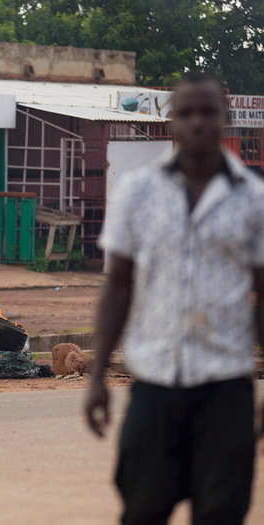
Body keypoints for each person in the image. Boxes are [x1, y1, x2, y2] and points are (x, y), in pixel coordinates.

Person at [85, 72, 263, 525]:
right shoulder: (137, 192)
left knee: (221, 513)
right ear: (171, 123)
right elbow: (118, 285)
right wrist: (97, 374)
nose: (198, 123)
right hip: (154, 387)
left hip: (227, 390)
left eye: (208, 112)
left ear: (225, 119)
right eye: (186, 113)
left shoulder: (253, 199)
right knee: (143, 510)